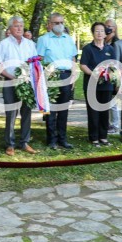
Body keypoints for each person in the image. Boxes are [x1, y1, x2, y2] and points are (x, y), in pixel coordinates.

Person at [0, 15, 39, 155]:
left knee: (27, 112)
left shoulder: (30, 44)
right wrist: (12, 77)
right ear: (10, 28)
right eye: (16, 25)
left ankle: (24, 142)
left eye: (21, 25)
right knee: (11, 113)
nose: (19, 28)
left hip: (27, 82)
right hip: (10, 82)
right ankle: (10, 144)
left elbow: (35, 63)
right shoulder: (4, 44)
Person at [36, 12, 78, 150]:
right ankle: (51, 140)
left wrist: (73, 78)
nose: (59, 25)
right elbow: (39, 59)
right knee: (51, 110)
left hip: (66, 75)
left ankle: (63, 139)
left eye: (61, 22)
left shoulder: (68, 39)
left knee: (64, 109)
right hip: (51, 76)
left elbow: (73, 60)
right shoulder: (44, 39)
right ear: (50, 24)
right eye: (56, 23)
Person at [80, 22, 115, 146]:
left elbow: (114, 66)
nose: (99, 33)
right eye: (96, 31)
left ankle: (103, 137)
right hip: (91, 85)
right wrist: (94, 74)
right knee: (93, 112)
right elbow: (83, 65)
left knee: (104, 111)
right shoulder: (87, 49)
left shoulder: (110, 49)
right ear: (93, 33)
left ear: (105, 34)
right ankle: (94, 138)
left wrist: (111, 75)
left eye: (101, 31)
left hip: (106, 86)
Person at [104, 18, 121, 133]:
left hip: (114, 74)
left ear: (115, 28)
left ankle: (115, 125)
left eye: (111, 26)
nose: (108, 28)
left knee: (113, 102)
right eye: (107, 26)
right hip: (103, 75)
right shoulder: (102, 41)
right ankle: (107, 124)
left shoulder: (117, 43)